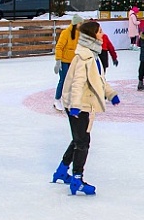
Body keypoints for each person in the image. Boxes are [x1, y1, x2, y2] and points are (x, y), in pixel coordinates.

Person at [51, 21, 119, 196]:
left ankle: (61, 170)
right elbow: (77, 83)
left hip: (82, 103)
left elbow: (99, 81)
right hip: (79, 105)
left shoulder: (93, 55)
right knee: (83, 142)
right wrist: (74, 106)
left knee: (78, 139)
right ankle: (77, 180)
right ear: (92, 35)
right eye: (100, 31)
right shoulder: (84, 57)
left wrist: (110, 94)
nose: (102, 34)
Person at [53, 14, 83, 111]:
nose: (81, 25)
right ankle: (57, 100)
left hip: (74, 62)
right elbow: (59, 47)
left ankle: (70, 100)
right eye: (80, 23)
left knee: (73, 81)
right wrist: (58, 61)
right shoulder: (65, 33)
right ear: (75, 24)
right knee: (63, 80)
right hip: (64, 61)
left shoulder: (79, 34)